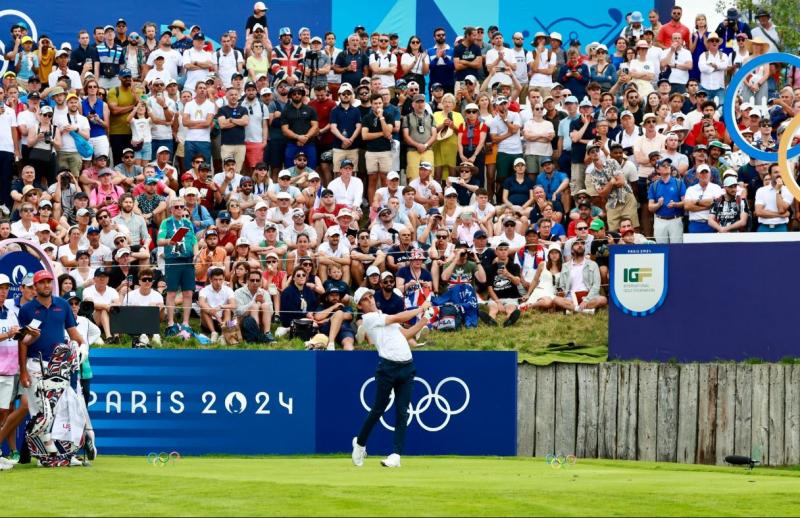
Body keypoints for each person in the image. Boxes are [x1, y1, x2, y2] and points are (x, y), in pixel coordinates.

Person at [351, 286, 431, 468]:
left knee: (402, 412)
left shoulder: (383, 315)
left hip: (407, 368)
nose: (370, 300)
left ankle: (396, 455)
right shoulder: (369, 319)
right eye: (365, 299)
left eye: (371, 296)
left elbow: (406, 334)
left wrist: (425, 319)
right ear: (360, 305)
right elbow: (397, 318)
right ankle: (360, 444)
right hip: (387, 369)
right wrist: (420, 308)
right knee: (378, 409)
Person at [157, 198, 198, 335]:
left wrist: (196, 254)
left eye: (182, 207)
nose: (179, 209)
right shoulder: (166, 222)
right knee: (171, 292)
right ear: (171, 209)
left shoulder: (187, 222)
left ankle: (186, 323)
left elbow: (194, 240)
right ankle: (170, 323)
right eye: (176, 207)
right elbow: (159, 241)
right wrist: (170, 241)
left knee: (188, 292)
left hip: (188, 260)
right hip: (173, 260)